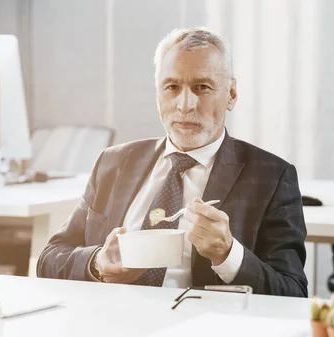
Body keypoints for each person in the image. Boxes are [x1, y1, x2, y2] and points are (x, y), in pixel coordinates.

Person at [37, 27, 307, 297]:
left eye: (202, 87)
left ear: (231, 94)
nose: (185, 104)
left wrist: (228, 254)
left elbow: (293, 294)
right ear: (158, 94)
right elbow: (49, 260)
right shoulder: (114, 163)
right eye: (172, 87)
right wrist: (97, 263)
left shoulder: (272, 177)